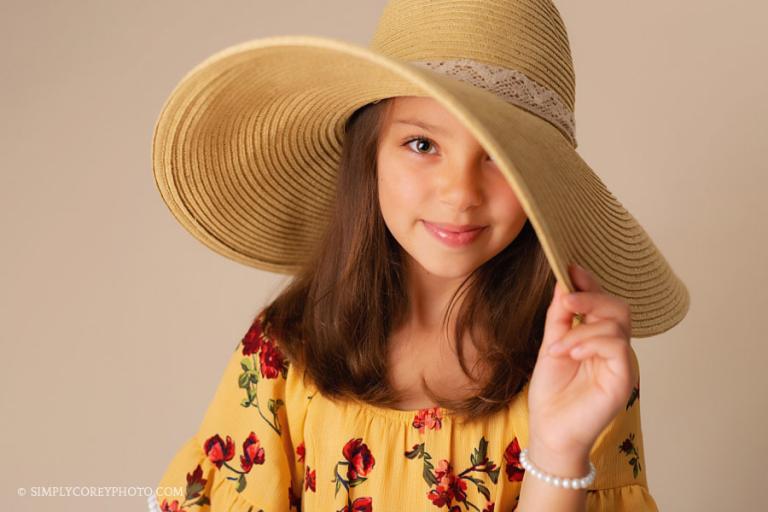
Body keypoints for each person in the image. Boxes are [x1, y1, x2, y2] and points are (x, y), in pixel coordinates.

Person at [149, 2, 689, 511]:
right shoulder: (284, 351)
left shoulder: (580, 364)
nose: (460, 193)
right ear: (371, 155)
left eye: (498, 155)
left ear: (540, 183)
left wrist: (559, 453)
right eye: (423, 145)